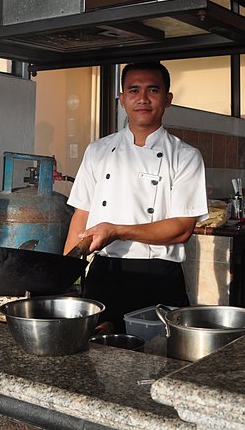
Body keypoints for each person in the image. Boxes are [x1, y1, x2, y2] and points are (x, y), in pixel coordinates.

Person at [63, 61, 208, 332]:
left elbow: (181, 229)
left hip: (158, 277)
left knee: (157, 353)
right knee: (94, 351)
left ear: (168, 99)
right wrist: (65, 275)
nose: (142, 98)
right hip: (103, 274)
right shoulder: (97, 151)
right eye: (133, 90)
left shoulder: (185, 156)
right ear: (122, 99)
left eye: (152, 90)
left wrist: (117, 231)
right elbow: (81, 214)